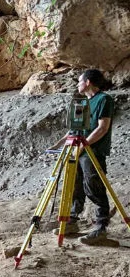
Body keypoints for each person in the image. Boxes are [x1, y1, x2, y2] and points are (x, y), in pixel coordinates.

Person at [49, 69, 115, 244]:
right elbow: (74, 130)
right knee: (74, 185)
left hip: (93, 151)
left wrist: (85, 144)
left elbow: (102, 128)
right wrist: (57, 145)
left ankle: (101, 227)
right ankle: (72, 220)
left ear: (87, 82)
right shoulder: (83, 102)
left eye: (79, 81)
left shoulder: (104, 100)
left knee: (93, 185)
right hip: (77, 151)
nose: (77, 84)